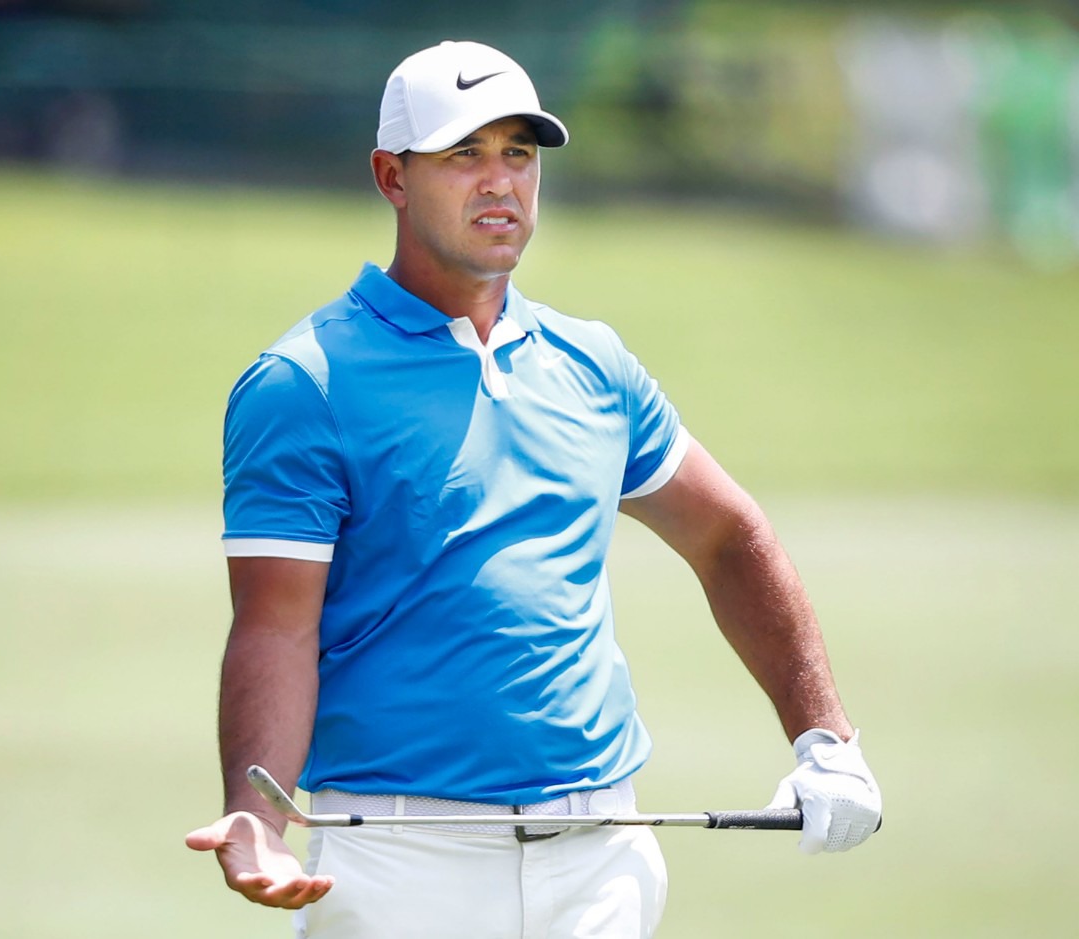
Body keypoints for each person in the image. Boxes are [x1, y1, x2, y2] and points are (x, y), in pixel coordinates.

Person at [185, 39, 882, 939]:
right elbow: (276, 623)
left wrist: (823, 736)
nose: (499, 182)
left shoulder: (593, 362)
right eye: (462, 155)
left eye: (518, 153)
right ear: (391, 177)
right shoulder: (305, 380)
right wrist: (259, 813)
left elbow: (727, 537)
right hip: (403, 866)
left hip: (605, 858)